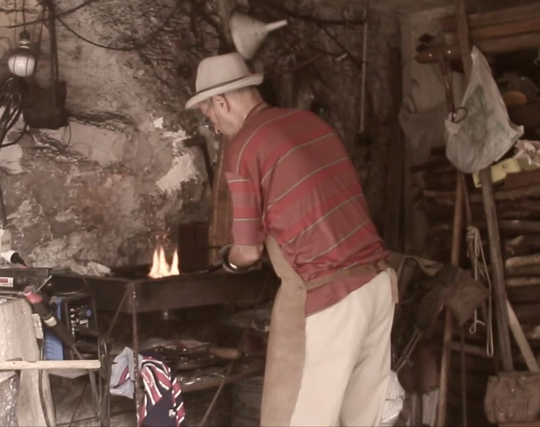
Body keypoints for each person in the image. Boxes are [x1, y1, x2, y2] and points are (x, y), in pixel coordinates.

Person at [186, 52, 397, 427]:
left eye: (209, 116)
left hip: (334, 296)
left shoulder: (243, 147)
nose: (214, 127)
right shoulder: (309, 122)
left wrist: (227, 261)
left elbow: (248, 251)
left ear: (221, 101)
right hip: (379, 283)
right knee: (364, 420)